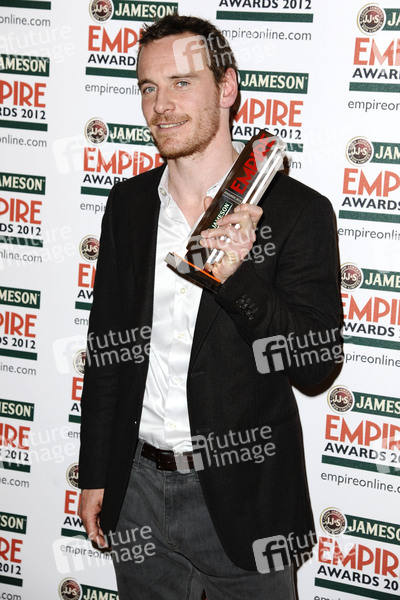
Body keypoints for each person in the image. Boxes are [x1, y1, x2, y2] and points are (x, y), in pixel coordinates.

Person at [78, 14, 341, 600]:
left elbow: (317, 366)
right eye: (148, 87)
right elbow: (107, 352)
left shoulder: (297, 212)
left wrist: (238, 278)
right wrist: (96, 472)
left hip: (248, 502)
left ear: (226, 88)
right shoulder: (128, 206)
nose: (160, 106)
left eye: (181, 83)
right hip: (136, 491)